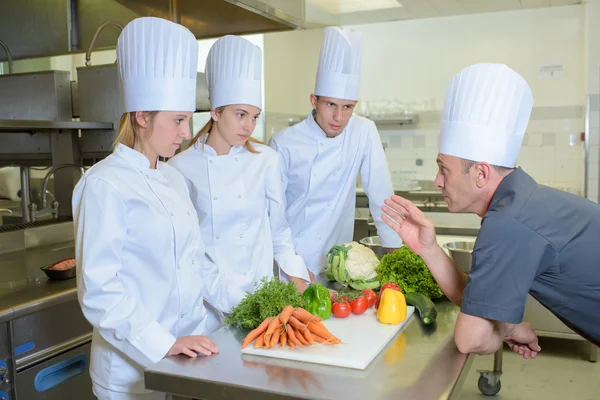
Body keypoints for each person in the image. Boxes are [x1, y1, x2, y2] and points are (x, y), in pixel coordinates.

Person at [72, 17, 245, 399]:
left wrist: (246, 310)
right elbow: (100, 291)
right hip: (130, 372)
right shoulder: (104, 184)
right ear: (142, 116)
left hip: (184, 358)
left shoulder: (172, 179)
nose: (186, 133)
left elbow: (195, 263)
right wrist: (161, 343)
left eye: (188, 120)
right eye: (178, 120)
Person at [382, 63, 600, 360]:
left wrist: (506, 330)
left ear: (481, 174)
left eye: (444, 168)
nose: (437, 181)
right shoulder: (522, 202)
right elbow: (479, 299)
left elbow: (470, 339)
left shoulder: (507, 222)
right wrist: (429, 249)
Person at [168, 35, 311, 333]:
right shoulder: (180, 168)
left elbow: (279, 230)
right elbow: (189, 253)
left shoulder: (266, 160)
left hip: (264, 299)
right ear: (216, 112)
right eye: (240, 115)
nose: (248, 126)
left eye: (254, 117)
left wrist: (297, 276)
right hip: (208, 307)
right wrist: (234, 301)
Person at [269, 27, 401, 278]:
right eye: (330, 105)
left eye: (347, 107)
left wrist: (396, 260)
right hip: (291, 265)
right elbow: (273, 216)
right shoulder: (284, 143)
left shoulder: (363, 131)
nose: (339, 118)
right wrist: (293, 270)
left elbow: (381, 196)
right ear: (313, 101)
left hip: (338, 267)